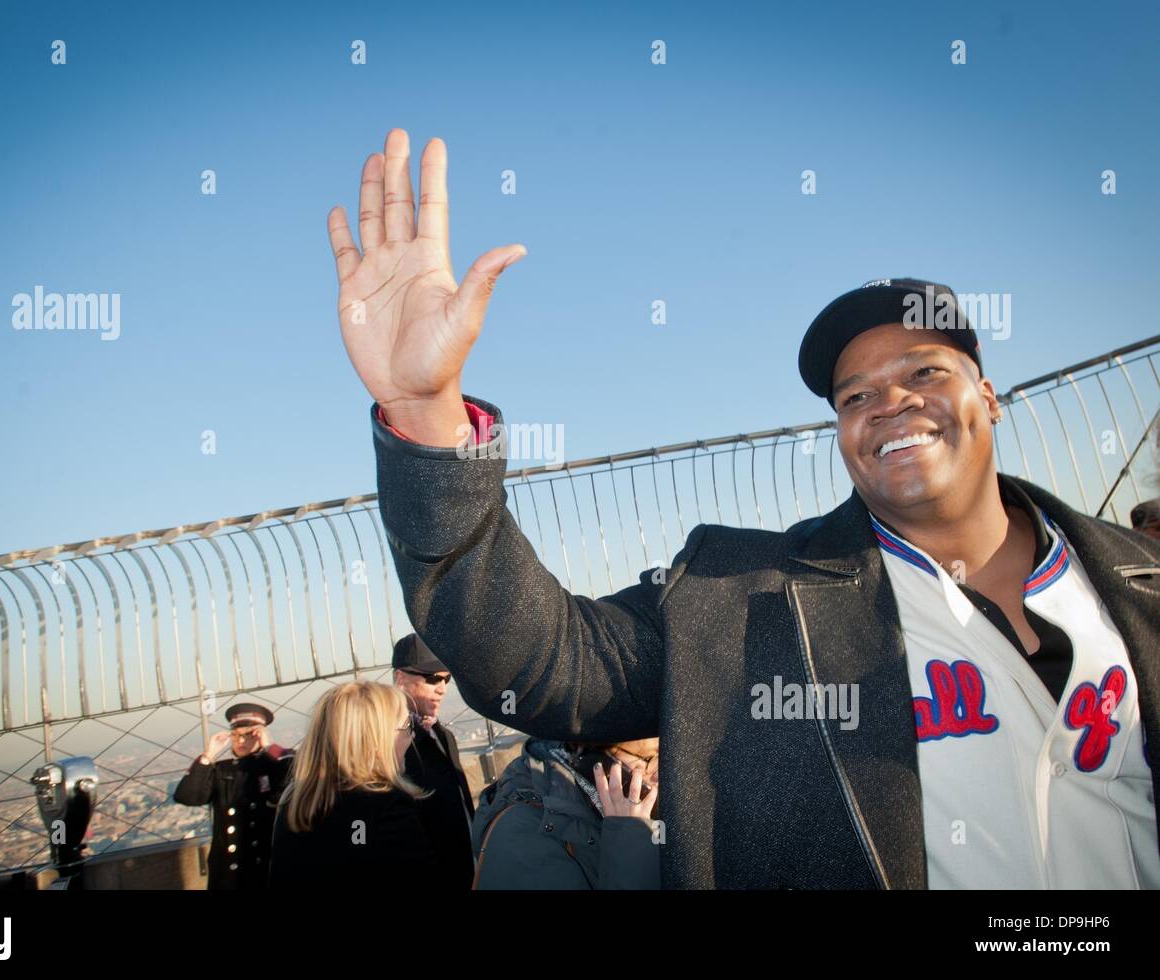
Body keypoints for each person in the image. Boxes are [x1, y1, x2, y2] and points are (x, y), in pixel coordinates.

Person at [325, 127, 1160, 889]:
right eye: (855, 394)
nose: (891, 403)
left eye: (924, 372)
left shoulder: (1137, 578)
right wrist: (427, 415)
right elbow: (539, 665)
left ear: (988, 393)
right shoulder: (737, 599)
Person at [269, 681, 435, 889]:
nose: (411, 736)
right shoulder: (387, 808)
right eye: (407, 726)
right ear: (376, 740)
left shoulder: (294, 805)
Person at [472, 738, 660, 889]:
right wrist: (629, 840)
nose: (659, 773)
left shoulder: (627, 807)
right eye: (651, 758)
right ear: (599, 759)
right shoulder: (526, 837)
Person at [173, 702, 293, 890]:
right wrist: (209, 755)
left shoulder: (273, 766)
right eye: (236, 736)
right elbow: (187, 796)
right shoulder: (222, 770)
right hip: (229, 874)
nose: (241, 741)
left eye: (249, 735)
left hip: (266, 869)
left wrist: (269, 746)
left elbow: (297, 773)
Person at [392, 633, 475, 890]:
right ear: (400, 678)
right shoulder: (390, 744)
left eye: (446, 678)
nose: (442, 688)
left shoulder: (443, 735)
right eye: (432, 678)